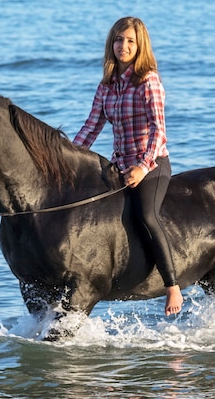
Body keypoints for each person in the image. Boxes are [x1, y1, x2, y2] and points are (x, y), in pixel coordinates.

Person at [72, 17, 183, 316]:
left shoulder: (148, 81)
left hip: (152, 164)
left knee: (147, 215)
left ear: (140, 45)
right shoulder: (107, 87)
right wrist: (66, 158)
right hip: (119, 167)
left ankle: (172, 286)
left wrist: (144, 167)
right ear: (112, 44)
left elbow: (159, 131)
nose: (124, 46)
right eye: (119, 40)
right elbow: (91, 128)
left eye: (131, 41)